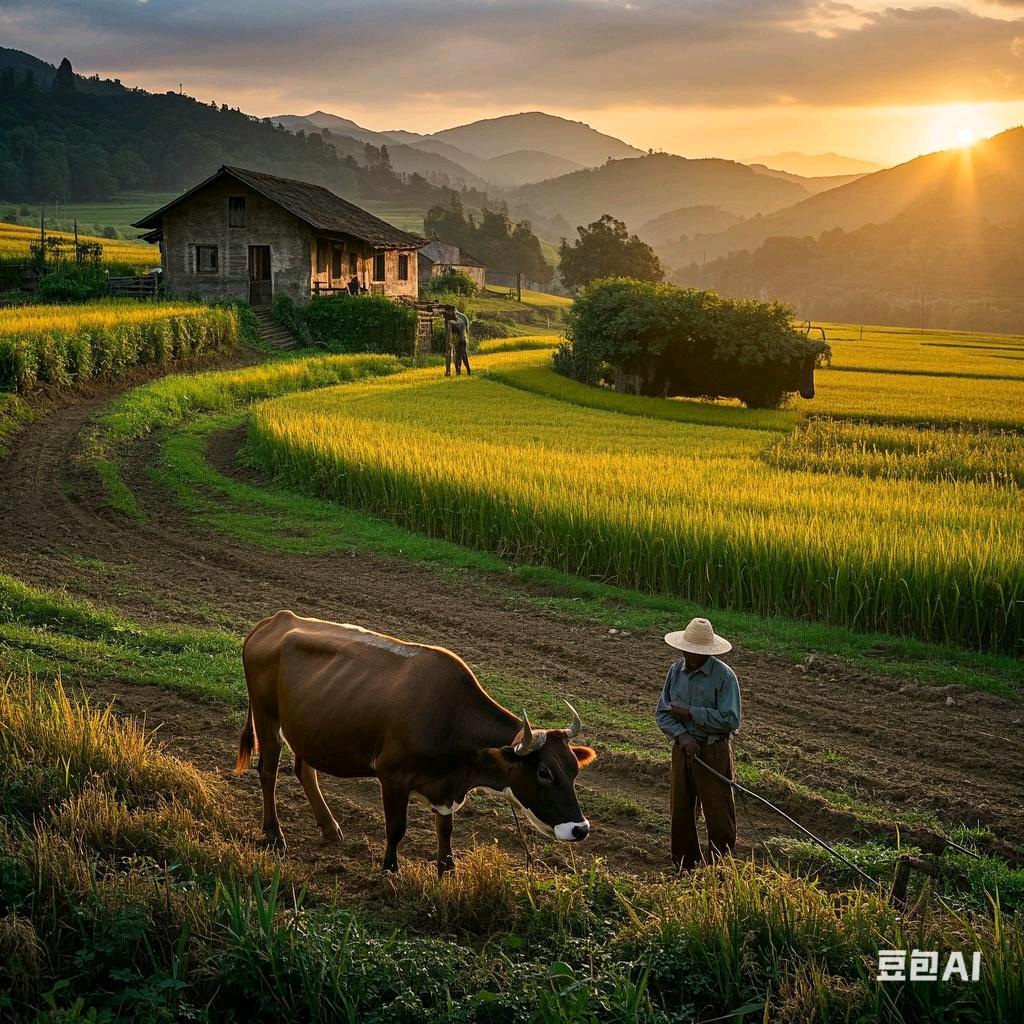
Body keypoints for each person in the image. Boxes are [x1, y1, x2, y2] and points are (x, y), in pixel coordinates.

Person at [655, 617, 741, 871]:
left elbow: (731, 719)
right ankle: (684, 866)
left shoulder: (724, 677)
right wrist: (682, 736)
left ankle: (720, 868)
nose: (688, 655)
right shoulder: (675, 671)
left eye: (694, 652)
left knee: (719, 814)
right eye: (686, 650)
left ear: (706, 652)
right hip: (683, 750)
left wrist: (692, 713)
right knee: (681, 811)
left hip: (713, 751)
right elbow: (663, 713)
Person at [453, 309, 471, 376]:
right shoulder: (464, 317)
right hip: (464, 340)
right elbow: (467, 330)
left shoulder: (456, 318)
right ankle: (468, 372)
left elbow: (454, 329)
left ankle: (458, 373)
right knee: (464, 357)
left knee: (458, 357)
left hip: (459, 341)